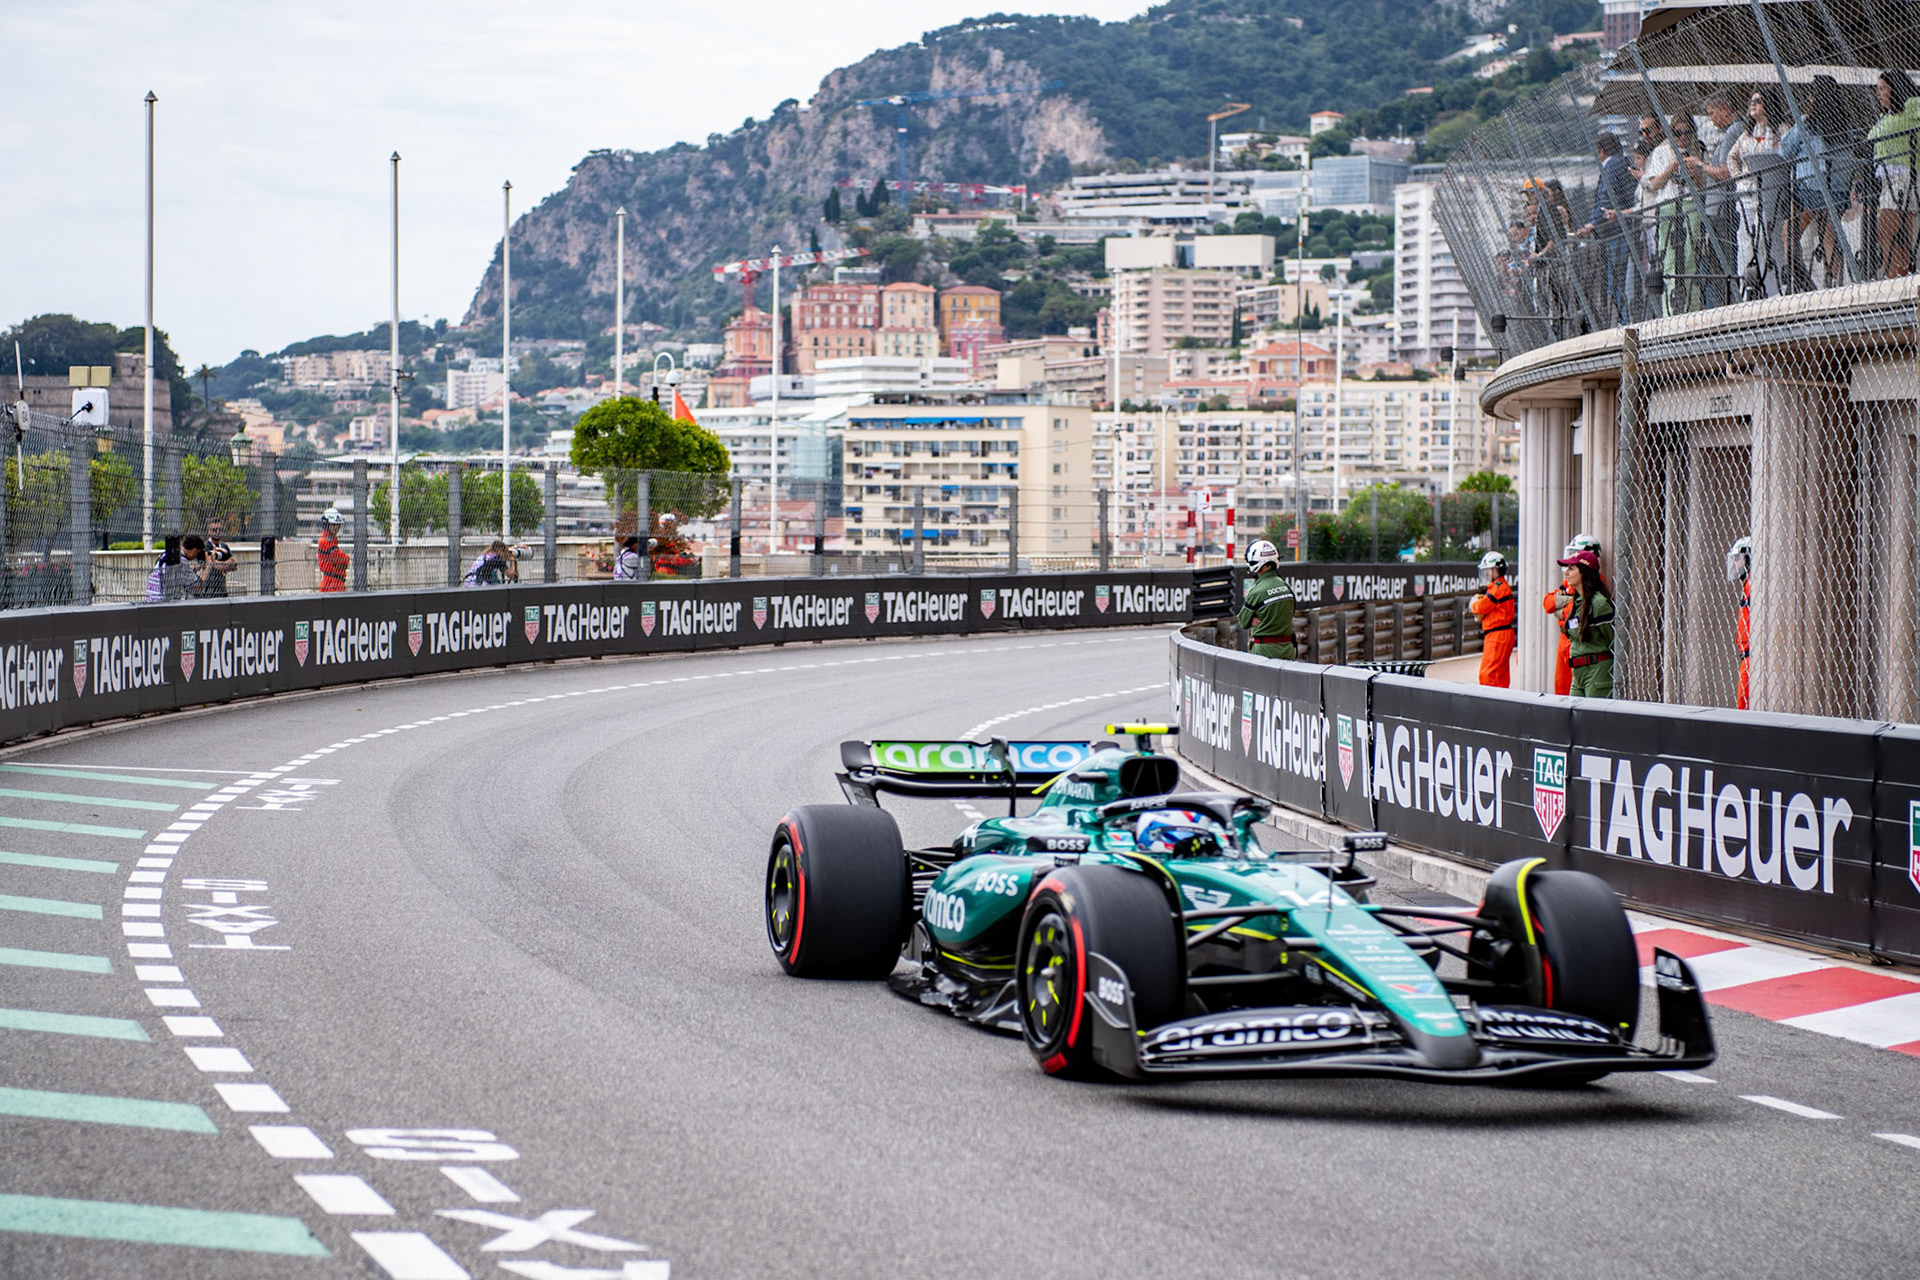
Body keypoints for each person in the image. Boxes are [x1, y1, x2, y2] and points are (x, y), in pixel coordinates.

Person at [1687, 91, 1746, 306]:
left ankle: (1730, 305)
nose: (1710, 120)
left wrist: (1700, 165)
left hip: (1723, 209)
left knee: (1724, 264)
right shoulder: (1730, 132)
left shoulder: (1734, 131)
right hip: (1718, 208)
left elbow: (1726, 171)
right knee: (1718, 264)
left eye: (1712, 113)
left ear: (1725, 110)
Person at [1870, 69, 1920, 277]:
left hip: (1903, 177)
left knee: (1887, 230)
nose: (1879, 94)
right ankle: (1901, 277)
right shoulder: (1886, 117)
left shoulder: (1911, 108)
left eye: (1883, 88)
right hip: (1888, 180)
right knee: (1899, 235)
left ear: (1895, 89)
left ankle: (1894, 278)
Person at [1543, 534, 1599, 697]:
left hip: (1579, 639)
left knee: (1574, 691)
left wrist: (1561, 608)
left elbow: (1573, 612)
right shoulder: (1569, 582)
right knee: (1561, 688)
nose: (1568, 570)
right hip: (1565, 639)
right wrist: (1567, 603)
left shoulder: (1594, 582)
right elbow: (1548, 603)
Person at [1558, 548, 1615, 698]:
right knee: (1572, 712)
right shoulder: (1578, 602)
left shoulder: (1599, 604)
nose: (1566, 573)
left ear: (1584, 571)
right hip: (1578, 673)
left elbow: (1613, 641)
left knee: (1592, 714)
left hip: (1597, 672)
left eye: (1571, 568)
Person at [1236, 539, 1296, 660]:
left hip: (1264, 651)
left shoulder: (1256, 592)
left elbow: (1243, 621)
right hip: (1288, 650)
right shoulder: (1286, 587)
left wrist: (1252, 619)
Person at [1469, 551, 1516, 687]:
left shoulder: (1498, 588)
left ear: (1497, 570)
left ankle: (1488, 698)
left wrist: (1474, 604)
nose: (1487, 573)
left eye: (1489, 570)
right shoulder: (1499, 588)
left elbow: (1480, 607)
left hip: (1497, 636)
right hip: (1500, 634)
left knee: (1488, 674)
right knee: (1499, 674)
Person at [1727, 535, 1752, 710]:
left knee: (1743, 707)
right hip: (1746, 655)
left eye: (1738, 559)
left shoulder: (1751, 584)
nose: (1734, 564)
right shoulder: (1747, 584)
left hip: (1750, 655)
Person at [317, 507, 349, 593]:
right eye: (333, 525)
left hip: (337, 582)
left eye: (338, 525)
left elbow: (339, 560)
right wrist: (345, 559)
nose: (336, 528)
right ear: (326, 525)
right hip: (330, 584)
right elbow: (341, 558)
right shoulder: (324, 541)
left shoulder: (332, 541)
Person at [202, 518, 233, 598]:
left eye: (220, 529)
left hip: (222, 589)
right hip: (209, 591)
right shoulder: (206, 546)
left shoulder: (224, 546)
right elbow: (215, 565)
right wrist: (226, 564)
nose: (218, 532)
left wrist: (219, 564)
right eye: (215, 530)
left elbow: (234, 564)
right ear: (208, 531)